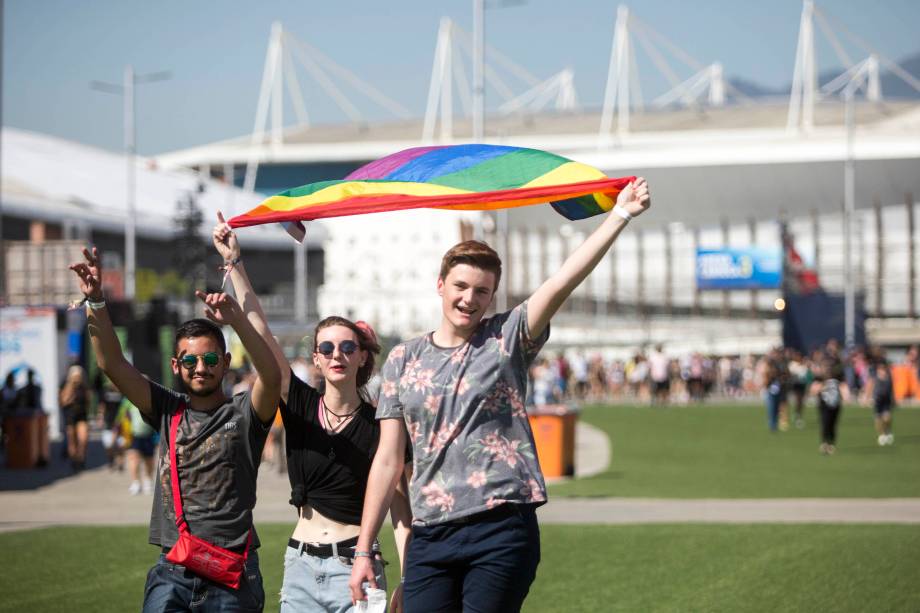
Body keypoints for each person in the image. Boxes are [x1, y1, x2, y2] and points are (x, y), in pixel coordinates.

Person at [349, 179, 651, 612]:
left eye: (482, 291)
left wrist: (619, 215)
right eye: (460, 286)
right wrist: (363, 550)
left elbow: (564, 279)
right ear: (440, 285)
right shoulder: (402, 359)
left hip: (501, 528)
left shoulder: (507, 338)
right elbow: (388, 460)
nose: (469, 299)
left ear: (493, 296)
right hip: (430, 531)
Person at [212, 214, 412, 613]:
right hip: (299, 563)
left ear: (361, 358)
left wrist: (409, 582)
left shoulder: (382, 426)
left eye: (347, 348)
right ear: (316, 360)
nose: (336, 355)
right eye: (326, 349)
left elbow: (402, 512)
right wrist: (234, 263)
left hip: (357, 564)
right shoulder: (300, 403)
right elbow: (261, 334)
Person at [69, 246, 281, 612]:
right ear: (177, 364)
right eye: (191, 360)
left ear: (226, 363)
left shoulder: (245, 413)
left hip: (233, 570)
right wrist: (97, 302)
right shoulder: (168, 408)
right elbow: (113, 365)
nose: (201, 367)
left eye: (211, 358)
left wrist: (236, 321)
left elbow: (272, 375)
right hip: (174, 567)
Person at [811, 353, 848, 455]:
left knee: (833, 424)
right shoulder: (819, 377)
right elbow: (813, 390)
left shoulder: (838, 376)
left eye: (830, 366)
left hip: (836, 403)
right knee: (824, 423)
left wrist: (845, 397)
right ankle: (824, 443)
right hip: (823, 404)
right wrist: (823, 386)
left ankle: (832, 443)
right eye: (826, 366)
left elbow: (843, 387)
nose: (828, 368)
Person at [59, 365, 91, 471]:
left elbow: (88, 401)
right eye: (75, 376)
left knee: (83, 438)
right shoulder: (66, 384)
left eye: (79, 376)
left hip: (81, 414)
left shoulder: (84, 386)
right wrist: (71, 385)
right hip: (70, 415)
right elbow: (63, 401)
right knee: (72, 442)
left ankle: (81, 459)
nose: (77, 378)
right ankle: (74, 460)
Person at [868, 359, 895, 446]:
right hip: (877, 400)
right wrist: (868, 397)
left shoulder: (889, 377)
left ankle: (888, 431)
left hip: (886, 400)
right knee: (878, 419)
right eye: (880, 368)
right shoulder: (875, 377)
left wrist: (893, 399)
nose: (882, 370)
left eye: (883, 368)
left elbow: (891, 389)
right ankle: (882, 435)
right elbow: (870, 386)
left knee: (887, 418)